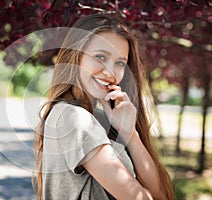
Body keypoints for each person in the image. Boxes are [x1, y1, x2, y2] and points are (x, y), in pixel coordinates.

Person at [33, 14, 175, 200]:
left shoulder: (98, 117)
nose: (110, 72)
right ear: (75, 56)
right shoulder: (75, 119)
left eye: (120, 63)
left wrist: (131, 135)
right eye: (100, 57)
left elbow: (161, 195)